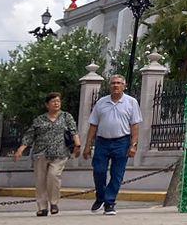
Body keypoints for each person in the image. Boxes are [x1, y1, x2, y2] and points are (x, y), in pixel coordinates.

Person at [81, 75, 143, 214]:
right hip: (102, 141)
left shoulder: (131, 102)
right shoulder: (101, 103)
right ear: (110, 85)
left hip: (122, 141)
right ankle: (101, 197)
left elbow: (135, 126)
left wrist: (134, 145)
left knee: (117, 174)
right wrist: (87, 145)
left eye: (119, 83)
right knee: (99, 170)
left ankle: (109, 202)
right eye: (113, 83)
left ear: (124, 86)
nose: (116, 85)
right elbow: (93, 125)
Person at [14, 92, 80, 217]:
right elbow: (29, 136)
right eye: (53, 101)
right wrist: (21, 150)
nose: (56, 103)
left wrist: (78, 145)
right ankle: (42, 207)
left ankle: (54, 203)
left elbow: (73, 131)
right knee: (40, 181)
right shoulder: (39, 120)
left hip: (60, 153)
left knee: (54, 176)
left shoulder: (66, 117)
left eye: (58, 101)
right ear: (47, 105)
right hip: (41, 153)